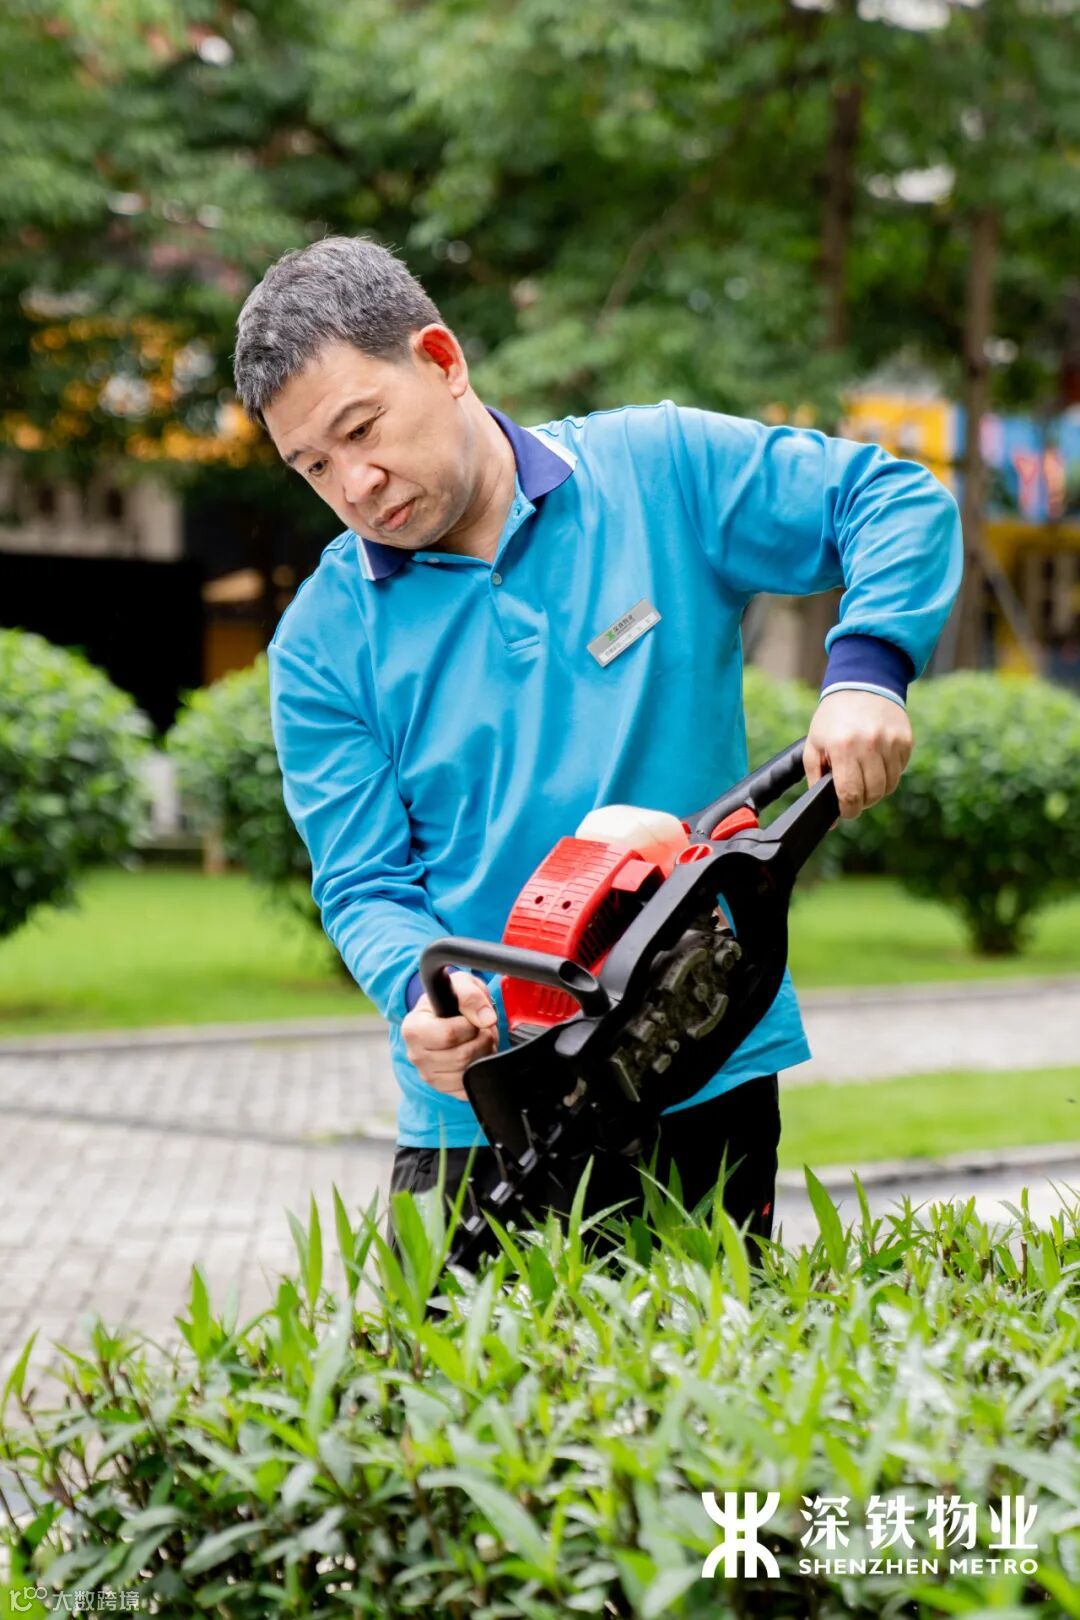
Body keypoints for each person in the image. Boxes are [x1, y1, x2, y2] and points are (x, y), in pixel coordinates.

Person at [232, 234, 963, 1263]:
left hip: (699, 1059)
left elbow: (891, 500)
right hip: (484, 1120)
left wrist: (867, 671)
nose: (356, 482)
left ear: (441, 360)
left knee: (723, 1365)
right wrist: (418, 993)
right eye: (314, 465)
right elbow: (363, 884)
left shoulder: (659, 471)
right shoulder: (319, 641)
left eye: (362, 428)